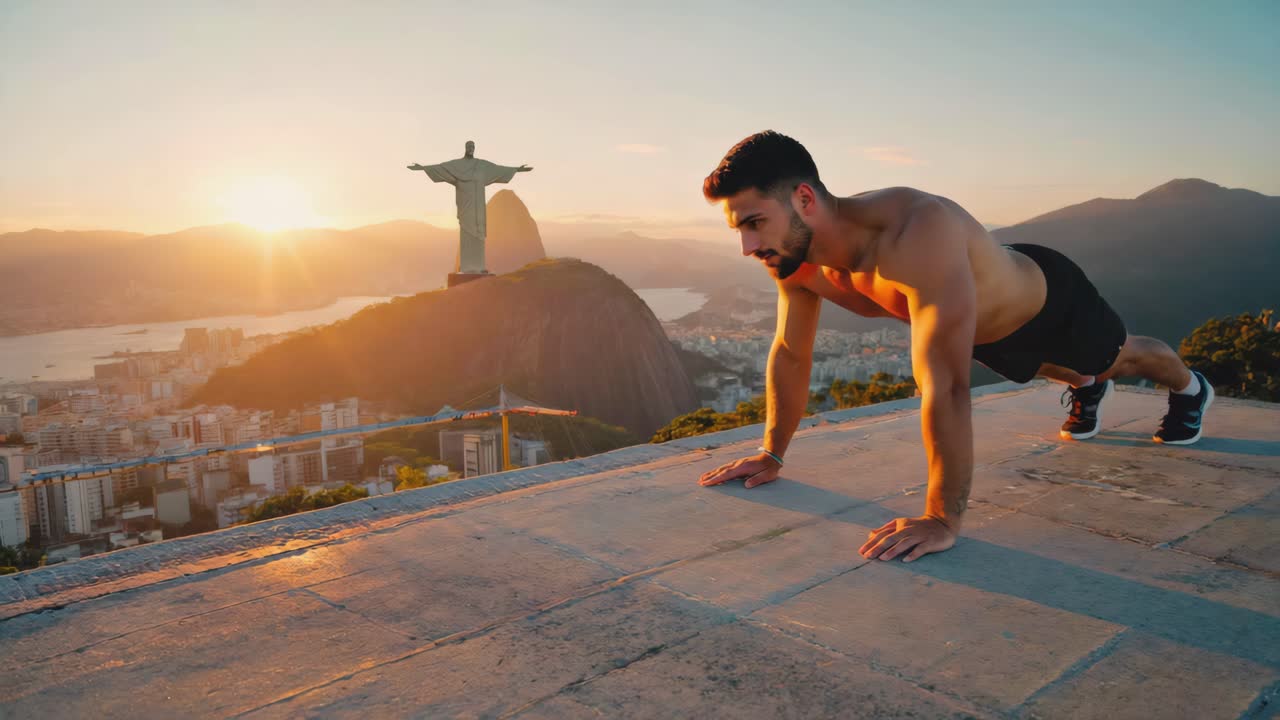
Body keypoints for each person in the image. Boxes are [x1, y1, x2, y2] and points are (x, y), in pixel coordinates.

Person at [696, 131, 1214, 563]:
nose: (747, 246)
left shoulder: (915, 228)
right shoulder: (795, 260)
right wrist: (771, 452)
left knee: (1121, 359)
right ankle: (1084, 387)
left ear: (804, 200)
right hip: (985, 333)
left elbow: (944, 384)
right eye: (738, 228)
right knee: (1066, 372)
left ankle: (1193, 390)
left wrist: (942, 518)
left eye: (754, 222)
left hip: (1048, 301)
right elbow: (791, 351)